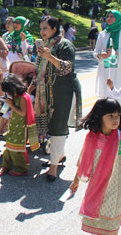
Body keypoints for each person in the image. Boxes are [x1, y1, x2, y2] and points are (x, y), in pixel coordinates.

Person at [69, 98, 121, 235]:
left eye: (118, 116)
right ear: (100, 117)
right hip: (95, 189)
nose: (116, 119)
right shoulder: (91, 138)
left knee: (110, 228)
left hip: (115, 191)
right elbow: (83, 160)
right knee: (96, 224)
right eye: (111, 116)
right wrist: (76, 180)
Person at [31, 16, 81, 182]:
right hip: (46, 92)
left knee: (58, 127)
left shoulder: (65, 45)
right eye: (41, 29)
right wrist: (32, 84)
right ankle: (59, 156)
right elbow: (38, 67)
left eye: (45, 28)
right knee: (51, 126)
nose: (42, 32)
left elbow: (68, 67)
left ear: (54, 29)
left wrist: (50, 57)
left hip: (63, 92)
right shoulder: (43, 45)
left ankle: (53, 167)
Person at [0, 74, 39, 177]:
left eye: (7, 91)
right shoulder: (14, 96)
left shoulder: (23, 97)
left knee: (17, 149)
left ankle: (21, 169)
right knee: (8, 146)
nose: (7, 93)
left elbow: (22, 113)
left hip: (21, 127)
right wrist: (3, 111)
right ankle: (6, 165)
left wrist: (11, 105)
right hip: (13, 125)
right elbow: (6, 108)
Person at [94, 10, 121, 98]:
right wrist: (101, 55)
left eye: (112, 16)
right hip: (106, 66)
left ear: (117, 18)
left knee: (119, 95)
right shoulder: (103, 33)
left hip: (120, 67)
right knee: (106, 95)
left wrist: (119, 52)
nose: (108, 19)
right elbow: (95, 52)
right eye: (107, 16)